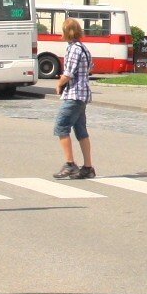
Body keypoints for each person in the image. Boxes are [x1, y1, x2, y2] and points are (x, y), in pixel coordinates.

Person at [52, 17, 96, 180]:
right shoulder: (83, 48)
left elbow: (69, 72)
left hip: (74, 94)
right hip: (82, 94)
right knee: (81, 130)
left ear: (67, 32)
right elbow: (91, 67)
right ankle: (88, 167)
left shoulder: (74, 49)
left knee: (61, 127)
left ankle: (70, 164)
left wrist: (59, 84)